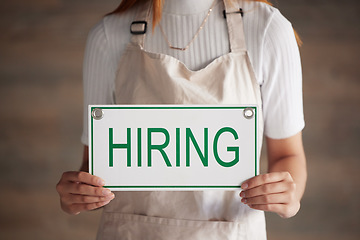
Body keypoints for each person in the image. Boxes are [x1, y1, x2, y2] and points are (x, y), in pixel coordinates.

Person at [56, 0, 307, 239]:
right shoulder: (107, 36)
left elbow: (288, 155)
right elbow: (96, 167)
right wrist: (79, 193)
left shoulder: (269, 30)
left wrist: (287, 197)